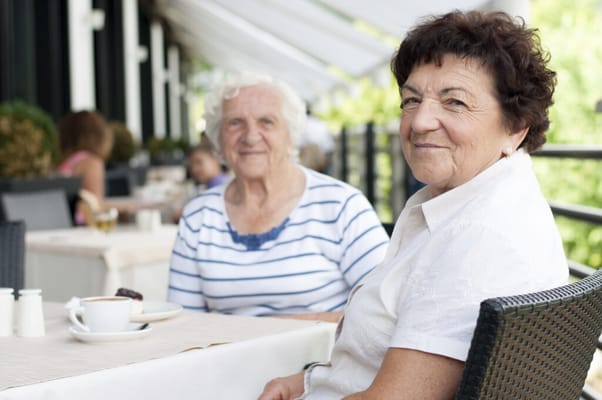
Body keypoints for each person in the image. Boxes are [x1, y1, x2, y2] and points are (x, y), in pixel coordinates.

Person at [258, 10, 569, 399]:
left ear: (515, 128)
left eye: (454, 102)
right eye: (411, 100)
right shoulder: (467, 201)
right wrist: (307, 381)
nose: (420, 121)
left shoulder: (477, 236)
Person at [167, 73, 389, 323]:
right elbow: (182, 322)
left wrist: (282, 331)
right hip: (228, 360)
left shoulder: (341, 205)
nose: (250, 136)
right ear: (218, 138)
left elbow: (384, 309)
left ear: (290, 135)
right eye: (235, 123)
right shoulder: (198, 215)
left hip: (323, 359)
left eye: (266, 122)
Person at [57, 110, 113, 224]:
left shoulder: (64, 162)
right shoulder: (91, 162)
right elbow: (95, 205)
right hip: (81, 227)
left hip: (60, 224)